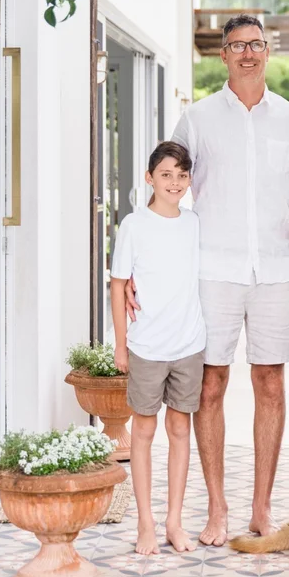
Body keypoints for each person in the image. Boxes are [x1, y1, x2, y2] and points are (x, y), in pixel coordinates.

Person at [126, 13, 289, 546]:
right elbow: (169, 186)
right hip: (212, 271)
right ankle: (216, 508)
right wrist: (137, 261)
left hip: (277, 271)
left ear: (267, 50)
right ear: (223, 55)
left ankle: (260, 506)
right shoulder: (199, 119)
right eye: (237, 46)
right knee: (210, 386)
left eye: (256, 45)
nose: (248, 54)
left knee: (271, 383)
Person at [111, 141, 205, 555]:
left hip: (189, 343)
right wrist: (120, 346)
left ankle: (174, 522)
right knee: (144, 431)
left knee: (181, 430)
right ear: (149, 178)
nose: (175, 182)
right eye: (166, 174)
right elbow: (118, 286)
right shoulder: (134, 225)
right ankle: (145, 524)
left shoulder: (194, 223)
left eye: (182, 175)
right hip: (147, 345)